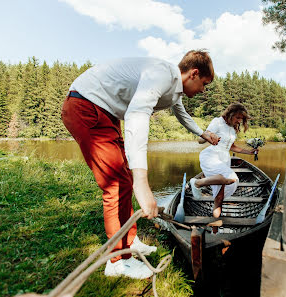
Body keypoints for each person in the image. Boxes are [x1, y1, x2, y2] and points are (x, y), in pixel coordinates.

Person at [61, 50, 220, 279]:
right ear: (193, 73)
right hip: (87, 107)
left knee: (122, 182)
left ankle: (129, 241)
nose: (203, 90)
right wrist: (142, 182)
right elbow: (137, 114)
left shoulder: (175, 90)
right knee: (116, 185)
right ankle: (117, 262)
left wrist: (202, 133)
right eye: (204, 84)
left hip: (106, 114)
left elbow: (182, 115)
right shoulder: (162, 74)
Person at [190, 103, 257, 218]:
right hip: (211, 156)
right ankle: (196, 182)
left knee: (219, 197)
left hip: (225, 159)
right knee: (232, 179)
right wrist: (210, 134)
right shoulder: (218, 122)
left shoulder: (233, 128)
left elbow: (232, 146)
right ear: (230, 114)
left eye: (242, 119)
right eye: (238, 118)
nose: (239, 121)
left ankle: (215, 226)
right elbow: (200, 140)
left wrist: (248, 152)